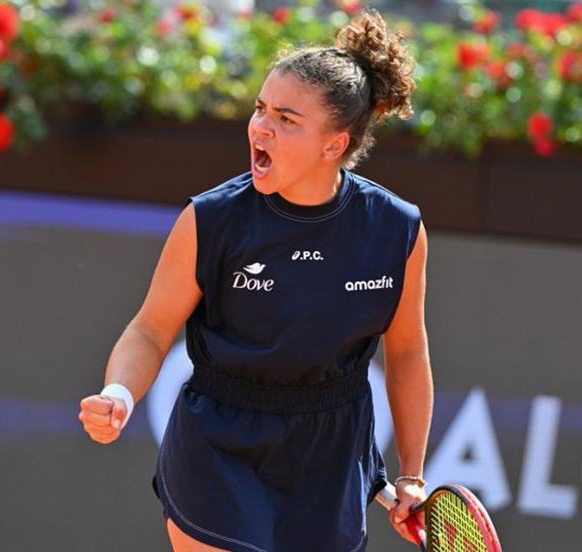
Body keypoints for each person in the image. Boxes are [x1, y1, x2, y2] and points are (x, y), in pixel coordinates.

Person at [78, 7, 433, 551]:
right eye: (261, 109)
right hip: (218, 447)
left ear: (334, 144)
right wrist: (120, 391)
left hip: (331, 457)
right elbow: (150, 329)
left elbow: (406, 352)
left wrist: (410, 472)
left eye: (287, 119)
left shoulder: (397, 229)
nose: (261, 127)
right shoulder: (211, 218)